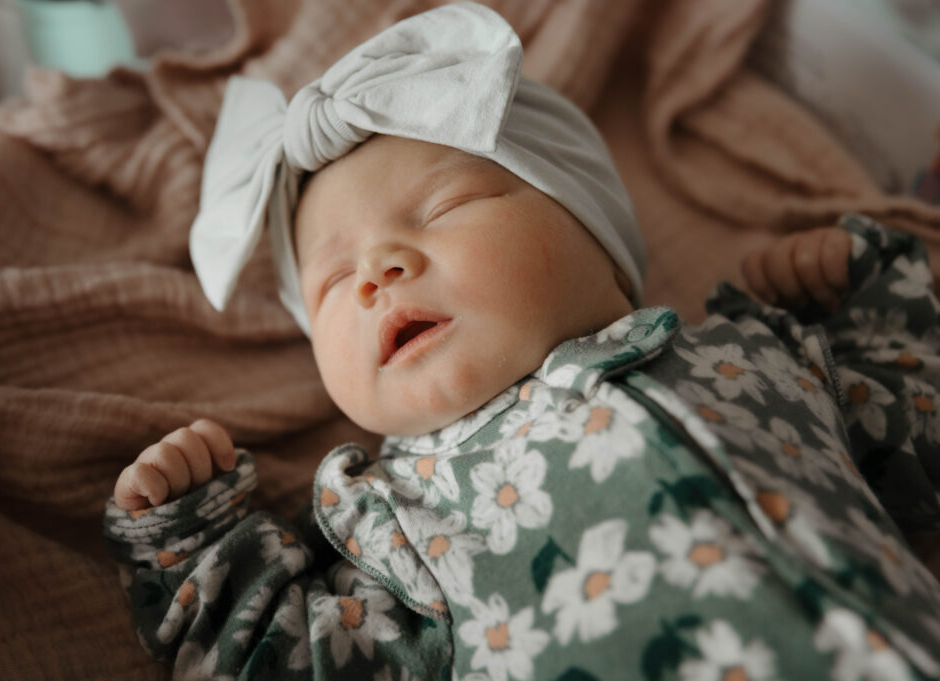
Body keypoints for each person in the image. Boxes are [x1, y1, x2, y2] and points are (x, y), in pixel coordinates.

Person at [103, 4, 940, 680]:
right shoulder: (394, 521)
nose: (377, 274)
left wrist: (858, 300)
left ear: (597, 237)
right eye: (330, 283)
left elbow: (918, 426)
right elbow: (294, 657)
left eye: (443, 209)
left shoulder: (754, 353)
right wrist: (197, 542)